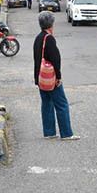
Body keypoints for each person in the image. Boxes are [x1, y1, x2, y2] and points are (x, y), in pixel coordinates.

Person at [33, 12, 79, 140]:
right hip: (50, 77)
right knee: (61, 104)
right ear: (51, 24)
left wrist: (36, 78)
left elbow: (36, 59)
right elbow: (55, 59)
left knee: (46, 103)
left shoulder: (38, 38)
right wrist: (58, 77)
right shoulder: (49, 39)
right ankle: (66, 133)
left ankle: (49, 132)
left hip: (41, 77)